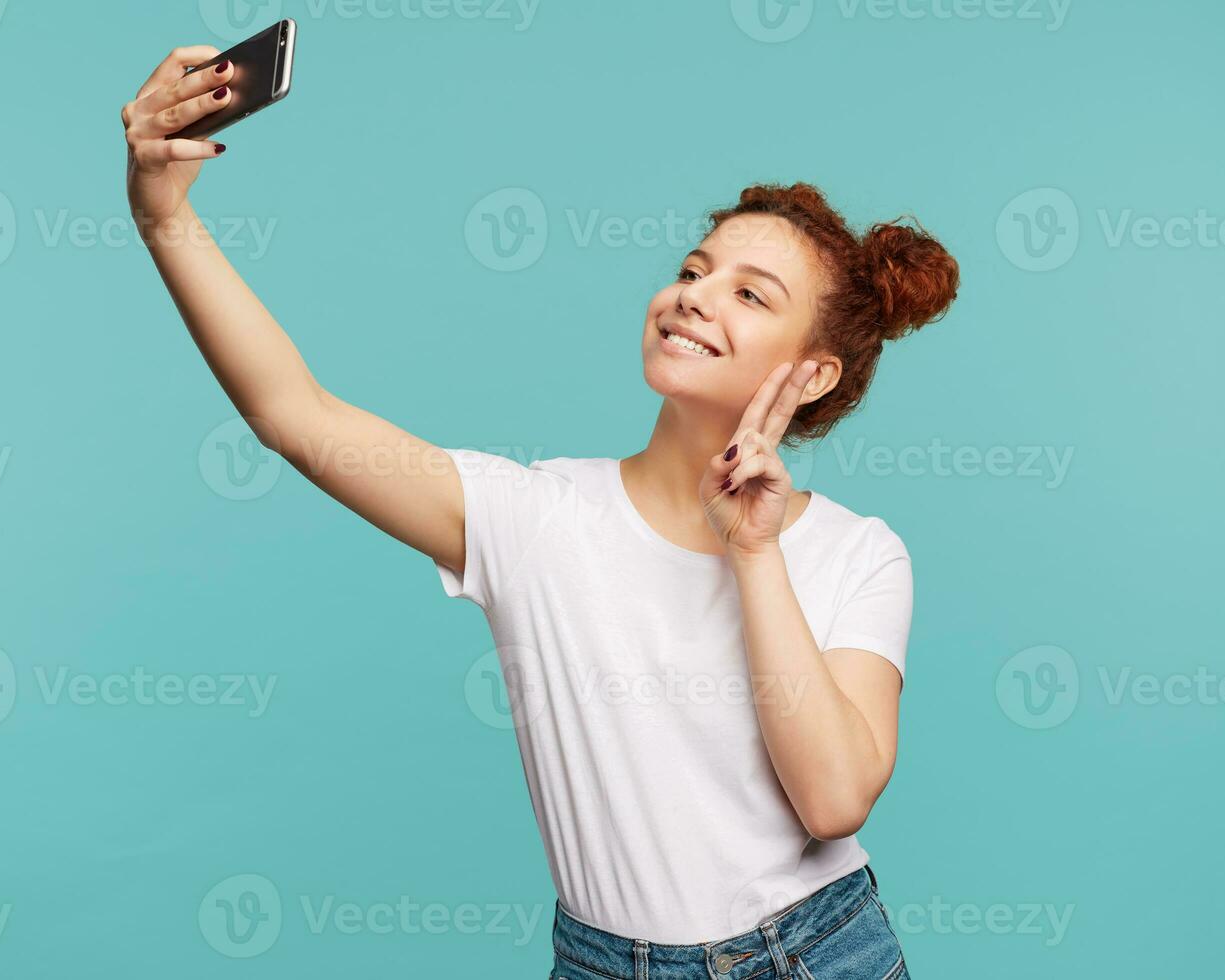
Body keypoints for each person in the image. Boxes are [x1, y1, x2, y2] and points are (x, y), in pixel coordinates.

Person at [122, 45, 959, 980]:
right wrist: (162, 216)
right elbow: (294, 414)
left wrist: (755, 551)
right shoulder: (539, 518)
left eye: (749, 294)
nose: (692, 295)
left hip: (813, 952)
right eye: (695, 267)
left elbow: (834, 800)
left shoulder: (859, 555)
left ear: (810, 375)